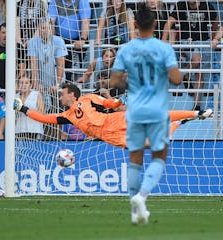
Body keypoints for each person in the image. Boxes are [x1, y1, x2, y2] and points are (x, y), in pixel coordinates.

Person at [110, 3, 183, 224]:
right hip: (158, 110)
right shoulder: (163, 49)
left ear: (134, 24)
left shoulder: (126, 49)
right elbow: (177, 79)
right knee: (159, 155)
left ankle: (134, 210)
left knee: (135, 159)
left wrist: (132, 82)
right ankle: (142, 196)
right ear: (154, 24)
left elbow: (114, 81)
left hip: (135, 110)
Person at [14, 83, 211, 149]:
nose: (60, 96)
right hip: (108, 136)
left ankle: (196, 112)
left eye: (62, 93)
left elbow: (110, 104)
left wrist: (115, 102)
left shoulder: (88, 98)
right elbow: (44, 118)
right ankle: (178, 122)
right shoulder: (67, 116)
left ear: (71, 94)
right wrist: (23, 109)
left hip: (114, 120)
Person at [162, 0, 219, 111]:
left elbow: (216, 20)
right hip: (186, 41)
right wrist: (163, 41)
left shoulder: (206, 5)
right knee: (196, 61)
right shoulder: (181, 4)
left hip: (203, 41)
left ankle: (196, 106)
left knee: (199, 74)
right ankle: (183, 74)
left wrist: (213, 35)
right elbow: (169, 23)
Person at [27, 20, 67, 111]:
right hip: (41, 81)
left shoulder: (58, 41)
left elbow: (60, 65)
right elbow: (33, 64)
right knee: (43, 110)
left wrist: (57, 84)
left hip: (56, 80)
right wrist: (36, 83)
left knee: (59, 110)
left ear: (51, 29)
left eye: (47, 28)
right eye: (42, 28)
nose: (45, 30)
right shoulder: (33, 42)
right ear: (39, 30)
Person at [49, 0, 91, 81]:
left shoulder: (82, 1)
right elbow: (51, 22)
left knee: (79, 69)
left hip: (78, 39)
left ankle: (79, 87)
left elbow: (85, 21)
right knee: (63, 70)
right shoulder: (55, 1)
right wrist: (54, 39)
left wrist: (82, 39)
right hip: (61, 40)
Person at [15, 76, 44, 140]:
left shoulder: (36, 94)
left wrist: (27, 111)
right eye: (21, 83)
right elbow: (14, 115)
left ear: (30, 85)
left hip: (34, 130)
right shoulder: (15, 97)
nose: (23, 85)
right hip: (19, 130)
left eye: (26, 83)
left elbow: (42, 112)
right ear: (18, 85)